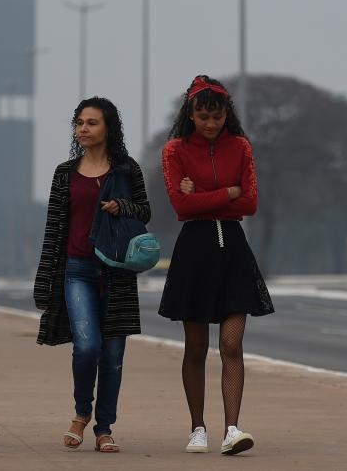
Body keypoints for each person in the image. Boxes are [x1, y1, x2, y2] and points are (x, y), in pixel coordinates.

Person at [158, 75, 275, 455]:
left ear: (227, 113)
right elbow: (181, 206)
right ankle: (197, 428)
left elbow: (250, 204)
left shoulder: (240, 147)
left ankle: (233, 429)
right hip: (194, 251)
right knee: (195, 347)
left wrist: (204, 196)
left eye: (217, 115)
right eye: (203, 115)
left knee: (231, 344)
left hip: (233, 252)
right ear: (191, 114)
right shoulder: (175, 150)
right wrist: (228, 192)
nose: (210, 123)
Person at [33, 97, 150, 453]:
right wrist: (44, 281)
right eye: (79, 122)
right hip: (76, 269)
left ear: (108, 128)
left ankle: (104, 428)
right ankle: (81, 412)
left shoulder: (127, 170)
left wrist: (121, 207)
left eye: (91, 122)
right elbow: (54, 229)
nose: (83, 128)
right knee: (87, 346)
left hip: (117, 271)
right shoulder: (65, 173)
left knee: (113, 356)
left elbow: (145, 211)